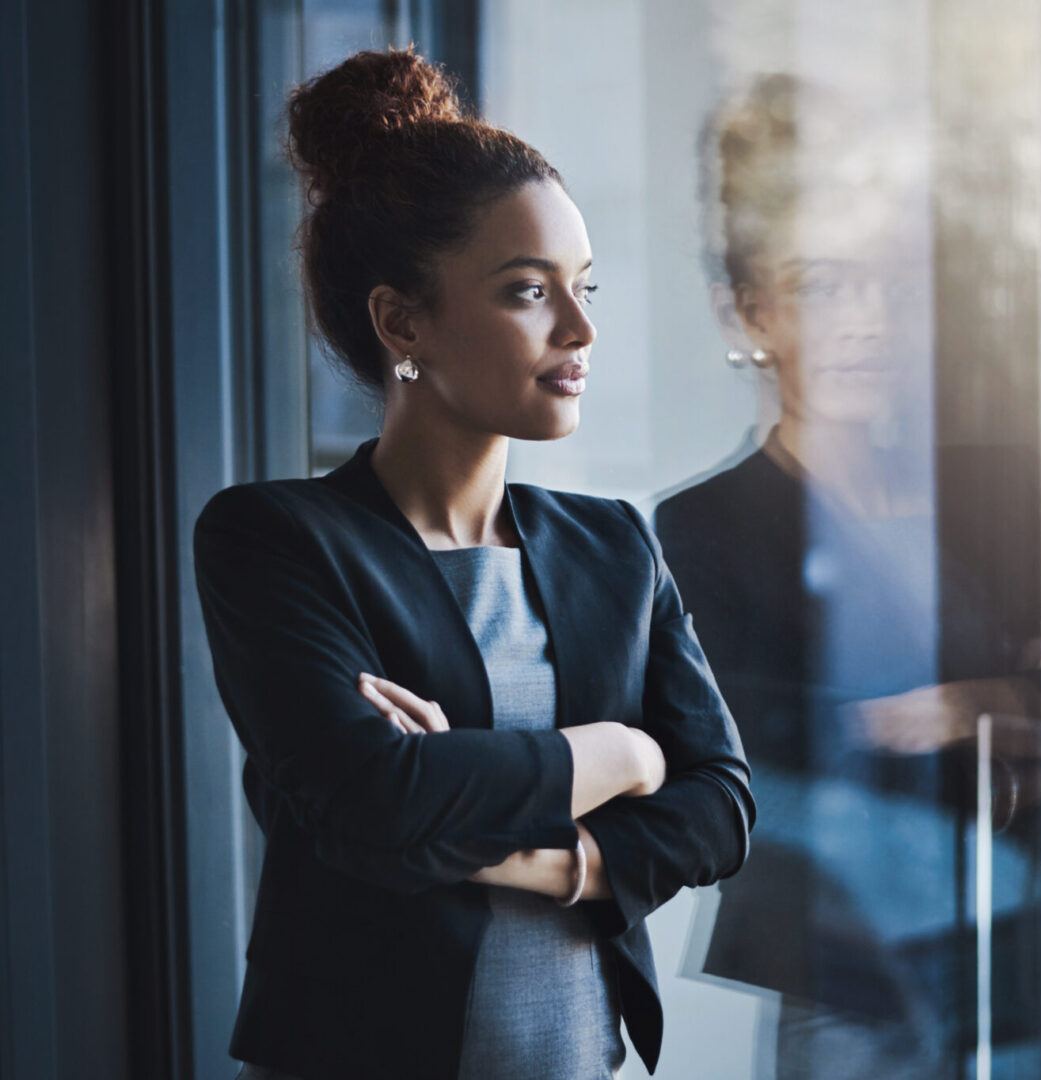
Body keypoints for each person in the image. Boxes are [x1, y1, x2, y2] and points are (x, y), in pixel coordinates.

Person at [192, 46, 753, 1080]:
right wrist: (622, 755)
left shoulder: (614, 546)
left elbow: (719, 804)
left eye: (583, 287)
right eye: (528, 291)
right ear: (403, 321)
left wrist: (546, 859)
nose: (580, 328)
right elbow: (374, 802)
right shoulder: (274, 539)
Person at [654, 74, 1041, 1078]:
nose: (864, 321)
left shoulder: (993, 484)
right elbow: (771, 757)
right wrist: (1029, 702)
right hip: (856, 979)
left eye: (884, 285)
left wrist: (964, 705)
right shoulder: (701, 529)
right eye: (819, 285)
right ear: (750, 312)